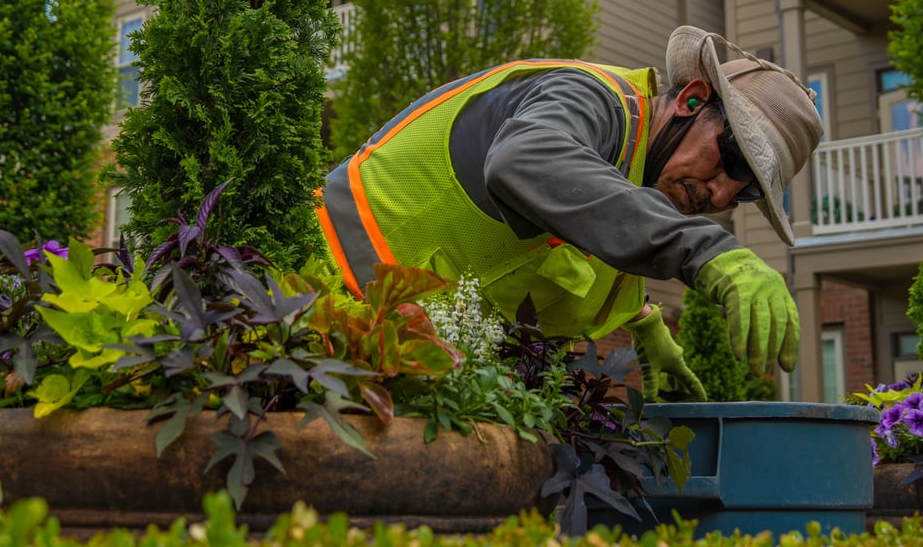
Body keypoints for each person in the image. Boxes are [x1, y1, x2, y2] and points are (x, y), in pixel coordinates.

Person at [316, 25, 823, 401]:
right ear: (691, 100)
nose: (719, 194)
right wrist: (706, 248)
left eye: (746, 190)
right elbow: (527, 161)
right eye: (731, 156)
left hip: (391, 364)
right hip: (313, 302)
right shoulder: (591, 98)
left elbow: (579, 225)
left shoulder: (631, 179)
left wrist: (643, 319)